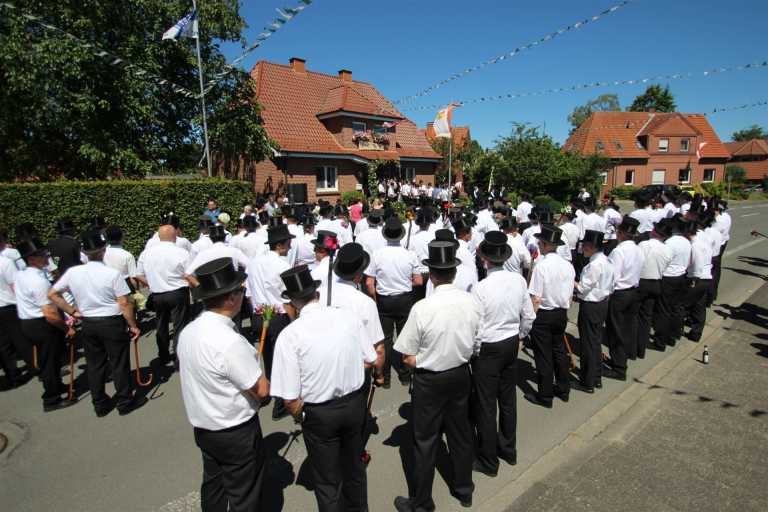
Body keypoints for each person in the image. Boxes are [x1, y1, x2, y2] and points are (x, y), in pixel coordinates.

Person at [271, 265, 378, 512]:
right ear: (316, 294)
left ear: (293, 303)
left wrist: (300, 416)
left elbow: (289, 399)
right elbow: (370, 358)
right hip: (353, 404)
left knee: (327, 481)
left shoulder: (290, 335)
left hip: (319, 413)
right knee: (354, 469)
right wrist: (346, 371)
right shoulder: (347, 318)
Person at [393, 240, 480, 511]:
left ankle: (422, 502)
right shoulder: (471, 301)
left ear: (431, 274)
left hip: (429, 379)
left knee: (425, 440)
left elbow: (406, 355)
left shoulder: (422, 308)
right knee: (460, 433)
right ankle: (464, 489)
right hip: (460, 373)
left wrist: (418, 361)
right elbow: (477, 343)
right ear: (454, 272)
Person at [178, 258, 270, 512]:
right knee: (245, 494)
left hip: (205, 426)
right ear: (231, 298)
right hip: (234, 429)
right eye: (240, 290)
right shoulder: (229, 341)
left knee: (214, 486)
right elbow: (261, 389)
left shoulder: (189, 331)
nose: (243, 294)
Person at [49, 230, 146, 416]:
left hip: (89, 322)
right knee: (118, 362)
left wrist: (72, 311)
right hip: (111, 322)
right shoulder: (112, 274)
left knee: (95, 364)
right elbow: (124, 303)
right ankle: (125, 401)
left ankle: (99, 403)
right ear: (103, 250)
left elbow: (53, 294)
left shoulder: (73, 272)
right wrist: (133, 325)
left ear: (84, 252)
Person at [471, 232, 535, 476]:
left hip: (489, 347)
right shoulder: (518, 280)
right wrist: (520, 336)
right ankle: (509, 449)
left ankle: (489, 460)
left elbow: (477, 328)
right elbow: (528, 315)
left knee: (486, 405)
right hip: (510, 342)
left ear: (485, 259)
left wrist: (477, 351)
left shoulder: (480, 288)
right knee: (508, 399)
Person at [15, 238, 77, 412]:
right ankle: (51, 399)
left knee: (52, 359)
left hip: (29, 322)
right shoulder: (37, 281)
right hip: (41, 324)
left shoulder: (22, 274)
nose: (46, 256)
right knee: (49, 362)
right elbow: (50, 313)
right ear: (31, 259)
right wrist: (67, 328)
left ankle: (57, 385)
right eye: (42, 254)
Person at [364, 218, 423, 388]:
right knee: (406, 337)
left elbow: (369, 283)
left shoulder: (377, 255)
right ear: (401, 235)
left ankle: (386, 377)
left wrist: (376, 299)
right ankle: (405, 375)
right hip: (405, 298)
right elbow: (418, 281)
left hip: (385, 300)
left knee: (386, 340)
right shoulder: (409, 254)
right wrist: (405, 283)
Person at [245, 221, 295, 419]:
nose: (290, 246)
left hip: (259, 314)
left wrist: (257, 310)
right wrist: (294, 322)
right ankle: (280, 404)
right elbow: (288, 299)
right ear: (280, 245)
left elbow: (249, 293)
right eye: (288, 243)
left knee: (269, 358)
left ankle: (271, 392)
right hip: (277, 317)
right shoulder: (282, 265)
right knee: (283, 361)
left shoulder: (254, 263)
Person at [525, 224, 575, 408]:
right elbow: (570, 295)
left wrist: (529, 320)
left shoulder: (542, 267)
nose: (539, 245)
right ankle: (563, 388)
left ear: (545, 245)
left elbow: (536, 299)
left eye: (540, 243)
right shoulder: (568, 266)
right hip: (561, 312)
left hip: (544, 314)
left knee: (543, 355)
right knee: (559, 351)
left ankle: (545, 395)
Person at [136, 225, 193, 365]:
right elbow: (191, 273)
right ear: (175, 236)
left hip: (157, 293)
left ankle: (163, 354)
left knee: (161, 324)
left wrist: (151, 283)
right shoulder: (181, 252)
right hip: (178, 292)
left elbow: (138, 274)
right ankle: (180, 357)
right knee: (179, 325)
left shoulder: (146, 253)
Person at [574, 230, 614, 393]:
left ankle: (587, 381)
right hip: (602, 303)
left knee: (588, 343)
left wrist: (572, 281)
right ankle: (596, 376)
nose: (582, 249)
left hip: (591, 305)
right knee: (595, 341)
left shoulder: (594, 265)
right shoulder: (607, 261)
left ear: (591, 247)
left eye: (585, 246)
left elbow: (582, 288)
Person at [604, 217, 643, 380]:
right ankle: (623, 358)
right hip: (633, 291)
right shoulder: (638, 249)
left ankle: (619, 367)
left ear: (620, 233)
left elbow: (612, 277)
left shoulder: (618, 251)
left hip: (620, 294)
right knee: (627, 328)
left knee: (616, 331)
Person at [636, 220, 672, 355]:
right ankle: (641, 348)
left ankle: (634, 345)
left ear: (654, 231)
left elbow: (637, 262)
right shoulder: (668, 250)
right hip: (656, 282)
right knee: (646, 316)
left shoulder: (644, 245)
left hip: (642, 281)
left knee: (635, 314)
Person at [657, 216, 692, 348]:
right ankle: (674, 335)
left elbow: (663, 260)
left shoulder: (669, 242)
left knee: (664, 309)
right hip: (681, 276)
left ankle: (661, 339)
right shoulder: (687, 242)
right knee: (676, 307)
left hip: (668, 277)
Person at [0, 231, 28, 389]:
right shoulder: (5, 262)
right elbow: (15, 285)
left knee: (3, 344)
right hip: (10, 305)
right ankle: (37, 368)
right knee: (22, 339)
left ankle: (12, 375)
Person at [684, 214, 715, 342]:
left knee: (684, 304)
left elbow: (697, 262)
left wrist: (694, 279)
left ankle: (676, 329)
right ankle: (696, 333)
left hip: (698, 278)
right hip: (707, 277)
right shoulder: (704, 242)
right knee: (699, 306)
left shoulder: (695, 245)